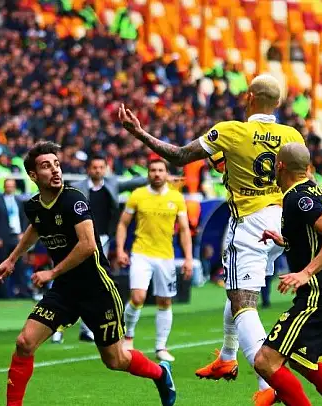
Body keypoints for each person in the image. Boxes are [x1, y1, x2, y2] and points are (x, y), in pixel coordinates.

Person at [120, 74, 305, 404]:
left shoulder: (231, 130)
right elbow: (304, 178)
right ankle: (227, 356)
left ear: (249, 97)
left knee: (243, 304)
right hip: (281, 222)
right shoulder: (292, 135)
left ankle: (268, 384)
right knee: (237, 291)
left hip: (250, 224)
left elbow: (179, 156)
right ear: (278, 103)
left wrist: (139, 133)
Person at [0, 142, 176, 406]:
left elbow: (88, 245)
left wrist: (51, 272)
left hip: (97, 290)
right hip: (64, 291)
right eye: (46, 166)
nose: (55, 170)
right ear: (33, 175)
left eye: (57, 164)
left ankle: (161, 374)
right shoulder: (33, 206)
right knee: (24, 342)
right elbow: (36, 227)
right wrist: (12, 258)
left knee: (115, 360)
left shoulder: (74, 199)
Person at [255, 143, 322, 406]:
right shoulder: (309, 188)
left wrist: (305, 273)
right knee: (304, 361)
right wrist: (286, 241)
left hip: (319, 292)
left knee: (265, 361)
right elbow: (314, 237)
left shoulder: (298, 198)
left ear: (280, 166)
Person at [61, 154, 147, 343]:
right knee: (77, 281)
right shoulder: (77, 188)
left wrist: (157, 177)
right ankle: (60, 325)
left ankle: (85, 328)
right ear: (88, 169)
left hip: (103, 240)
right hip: (81, 240)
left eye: (101, 167)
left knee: (93, 282)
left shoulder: (112, 184)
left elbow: (133, 183)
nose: (98, 171)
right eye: (95, 167)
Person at [116, 159, 193, 362]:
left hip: (166, 256)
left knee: (165, 301)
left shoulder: (176, 197)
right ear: (148, 173)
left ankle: (160, 347)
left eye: (160, 170)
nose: (156, 174)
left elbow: (184, 230)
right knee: (138, 297)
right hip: (141, 253)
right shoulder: (138, 195)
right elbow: (123, 224)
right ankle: (128, 338)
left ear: (166, 174)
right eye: (153, 170)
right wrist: (120, 249)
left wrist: (188, 258)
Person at [0, 179, 27, 297]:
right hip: (4, 237)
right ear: (4, 187)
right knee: (3, 264)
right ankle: (3, 292)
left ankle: (21, 291)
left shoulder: (19, 201)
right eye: (7, 186)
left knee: (20, 265)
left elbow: (23, 218)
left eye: (11, 186)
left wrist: (23, 233)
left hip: (16, 236)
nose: (9, 188)